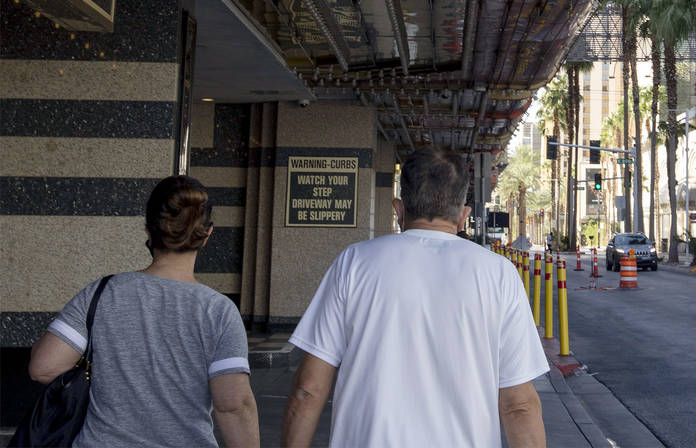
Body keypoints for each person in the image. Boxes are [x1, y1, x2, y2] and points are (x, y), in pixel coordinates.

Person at [282, 145, 548, 448]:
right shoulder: (499, 274)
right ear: (463, 216)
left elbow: (308, 390)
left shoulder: (353, 263)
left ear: (399, 209)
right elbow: (519, 405)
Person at [28, 176, 258, 448]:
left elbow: (43, 367)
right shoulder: (218, 311)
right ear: (207, 234)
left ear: (149, 231)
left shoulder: (102, 292)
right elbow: (233, 406)